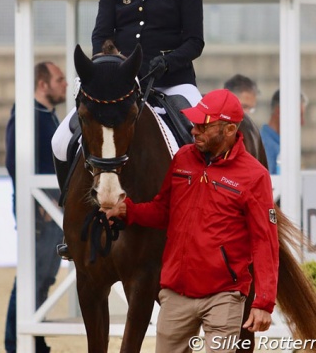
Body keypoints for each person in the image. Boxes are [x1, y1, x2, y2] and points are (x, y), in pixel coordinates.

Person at [102, 89, 279, 353]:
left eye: (203, 126)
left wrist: (263, 303)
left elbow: (265, 242)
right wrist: (130, 211)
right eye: (194, 124)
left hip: (224, 298)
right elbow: (164, 210)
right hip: (175, 296)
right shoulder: (183, 158)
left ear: (229, 130)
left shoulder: (255, 176)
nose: (193, 130)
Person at [52, 0, 204, 201]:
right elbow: (101, 34)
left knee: (198, 136)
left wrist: (166, 62)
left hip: (172, 79)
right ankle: (70, 214)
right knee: (60, 140)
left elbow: (195, 41)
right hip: (121, 84)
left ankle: (202, 211)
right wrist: (107, 72)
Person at [4, 62, 68, 353]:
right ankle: (15, 343)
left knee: (43, 277)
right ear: (43, 85)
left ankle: (35, 341)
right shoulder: (27, 115)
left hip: (49, 210)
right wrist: (40, 204)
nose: (65, 83)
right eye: (59, 79)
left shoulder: (44, 115)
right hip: (39, 213)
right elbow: (15, 162)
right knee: (31, 278)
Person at [260, 89, 308, 174]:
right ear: (280, 111)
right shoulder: (266, 146)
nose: (302, 122)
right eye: (298, 115)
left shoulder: (281, 145)